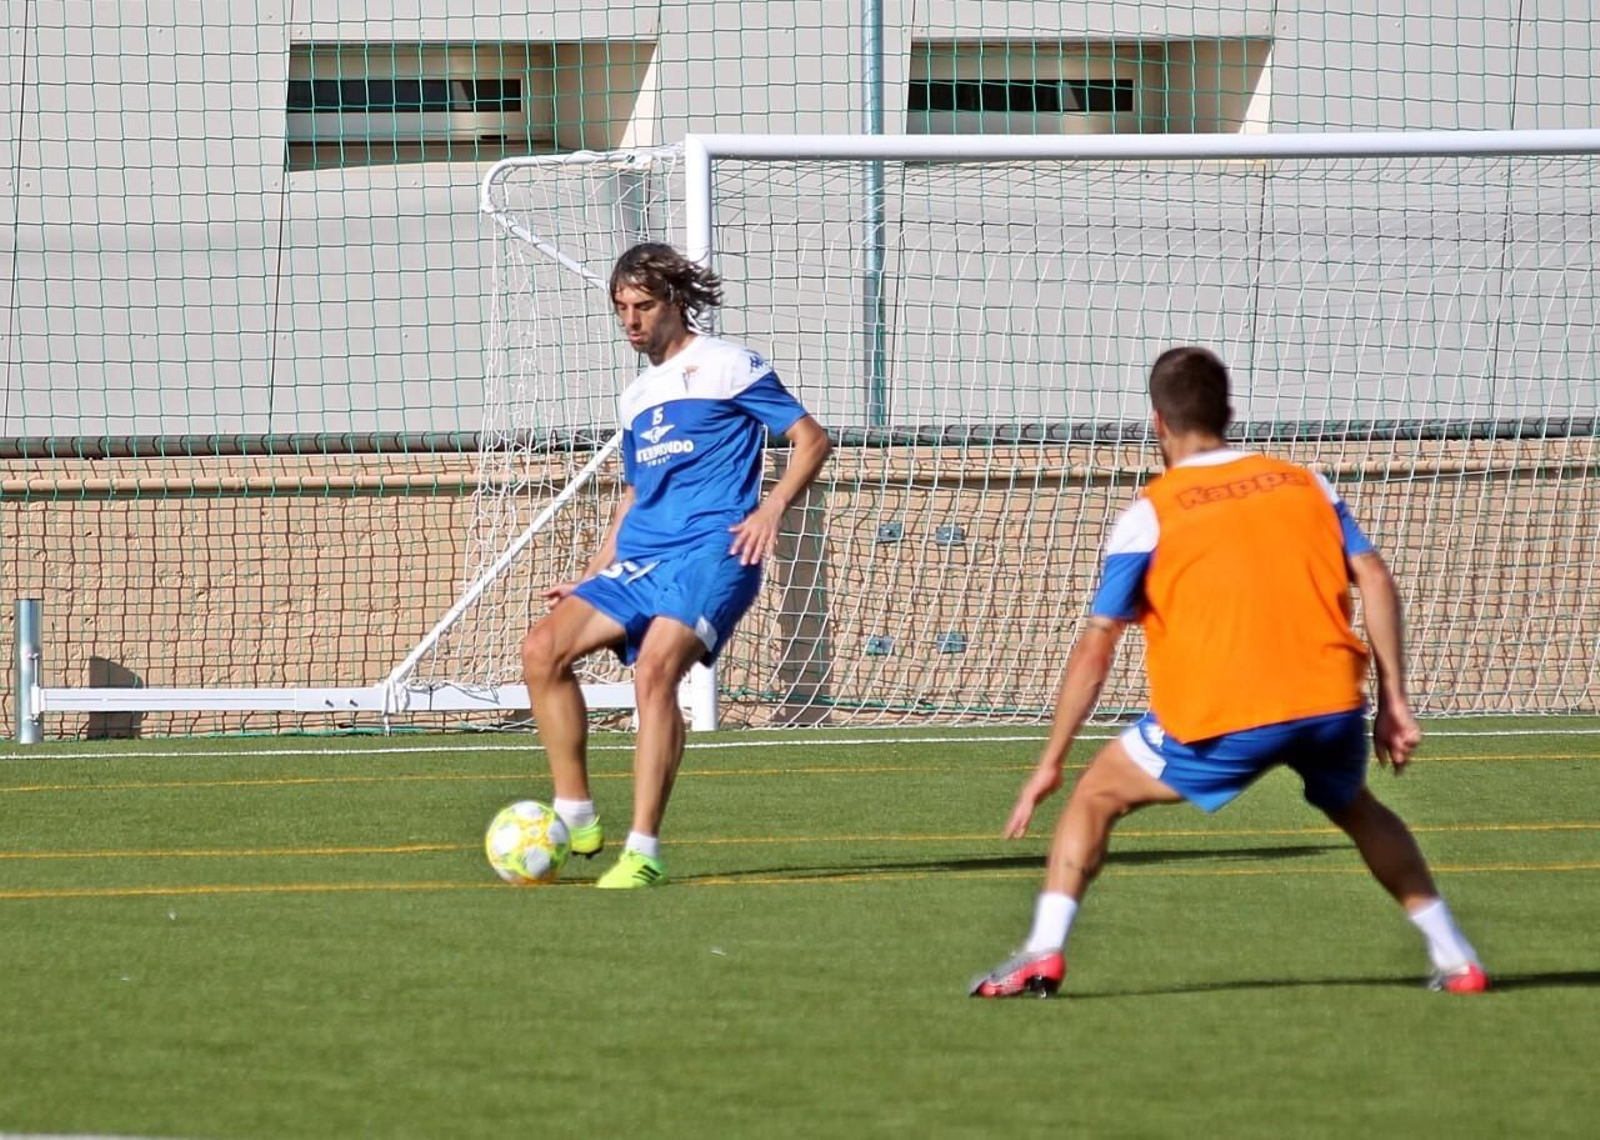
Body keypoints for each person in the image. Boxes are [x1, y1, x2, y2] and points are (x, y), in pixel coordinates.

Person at [971, 345, 1487, 996]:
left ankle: (1043, 953)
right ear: (1230, 413)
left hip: (1224, 713)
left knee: (1095, 795)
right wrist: (1395, 701)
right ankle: (1458, 958)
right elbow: (1376, 577)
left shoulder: (1150, 513)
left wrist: (1051, 759)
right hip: (1330, 700)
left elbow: (1096, 646)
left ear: (1157, 423)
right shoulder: (1306, 483)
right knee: (1355, 806)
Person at [520, 242, 832, 889]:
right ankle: (576, 811)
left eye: (642, 305)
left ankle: (643, 851)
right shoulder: (635, 397)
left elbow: (812, 438)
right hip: (643, 556)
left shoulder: (728, 365)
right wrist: (591, 573)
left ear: (674, 303)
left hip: (715, 553)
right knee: (541, 650)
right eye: (621, 308)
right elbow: (634, 498)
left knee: (656, 672)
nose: (631, 321)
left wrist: (773, 507)